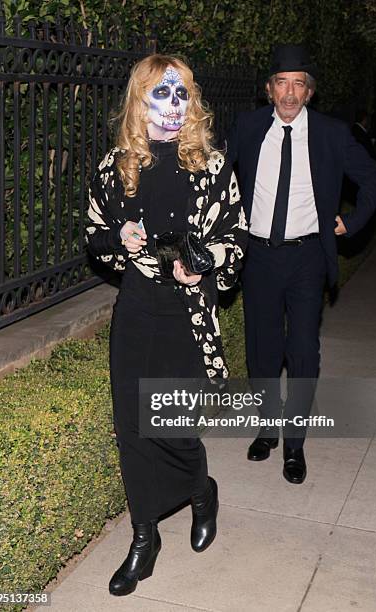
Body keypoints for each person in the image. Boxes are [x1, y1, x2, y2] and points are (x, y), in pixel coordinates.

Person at [86, 54, 247, 596]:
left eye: (182, 94)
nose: (175, 105)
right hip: (135, 310)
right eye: (162, 93)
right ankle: (143, 536)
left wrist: (202, 261)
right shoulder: (115, 167)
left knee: (173, 426)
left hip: (186, 313)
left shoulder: (213, 166)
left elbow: (237, 239)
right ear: (140, 100)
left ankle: (202, 491)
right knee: (132, 426)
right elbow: (94, 236)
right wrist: (118, 240)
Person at [227, 44, 376, 484]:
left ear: (309, 92)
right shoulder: (250, 126)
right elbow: (218, 176)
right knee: (261, 349)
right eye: (282, 83)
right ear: (269, 89)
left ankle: (294, 444)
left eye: (299, 84)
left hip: (308, 257)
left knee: (302, 352)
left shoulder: (332, 133)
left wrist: (350, 224)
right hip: (257, 256)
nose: (290, 92)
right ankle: (267, 426)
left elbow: (371, 178)